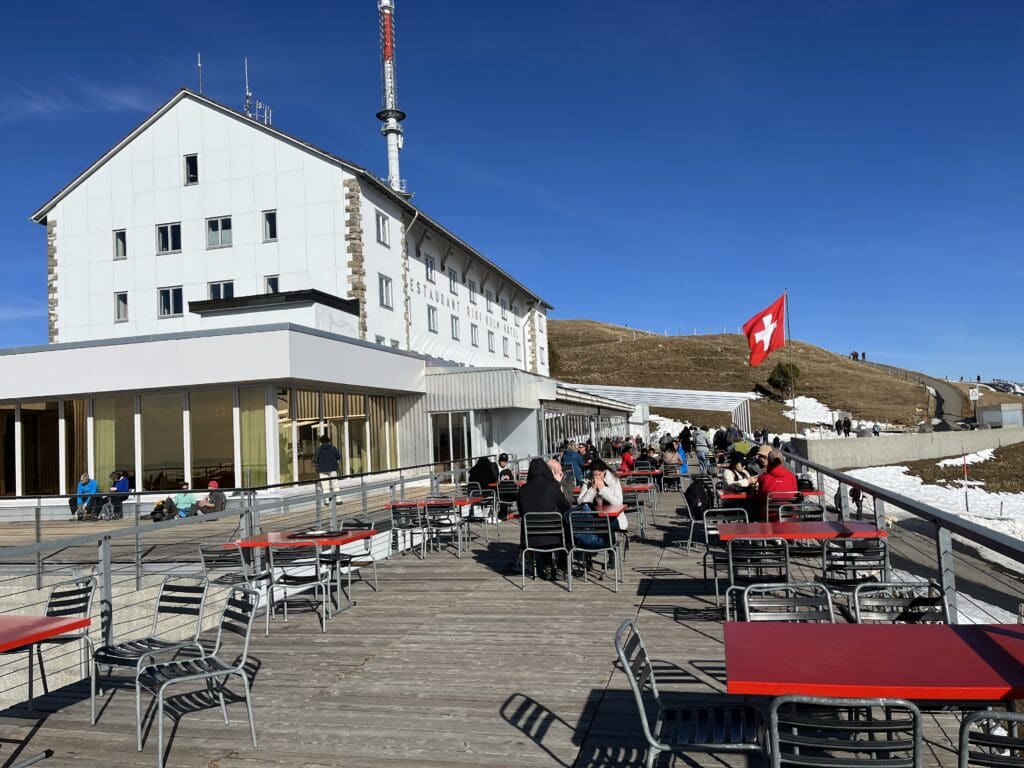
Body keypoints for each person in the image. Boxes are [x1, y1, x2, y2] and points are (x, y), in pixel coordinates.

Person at [516, 458, 571, 578]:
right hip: (554, 536)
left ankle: (547, 566)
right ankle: (562, 567)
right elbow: (566, 507)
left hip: (531, 538)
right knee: (565, 530)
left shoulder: (523, 490)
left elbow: (521, 512)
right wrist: (558, 484)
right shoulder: (552, 487)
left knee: (542, 528)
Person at [757, 449, 798, 521]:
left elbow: (761, 497)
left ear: (769, 462)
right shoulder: (792, 476)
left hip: (769, 515)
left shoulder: (763, 478)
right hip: (789, 514)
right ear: (782, 461)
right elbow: (794, 494)